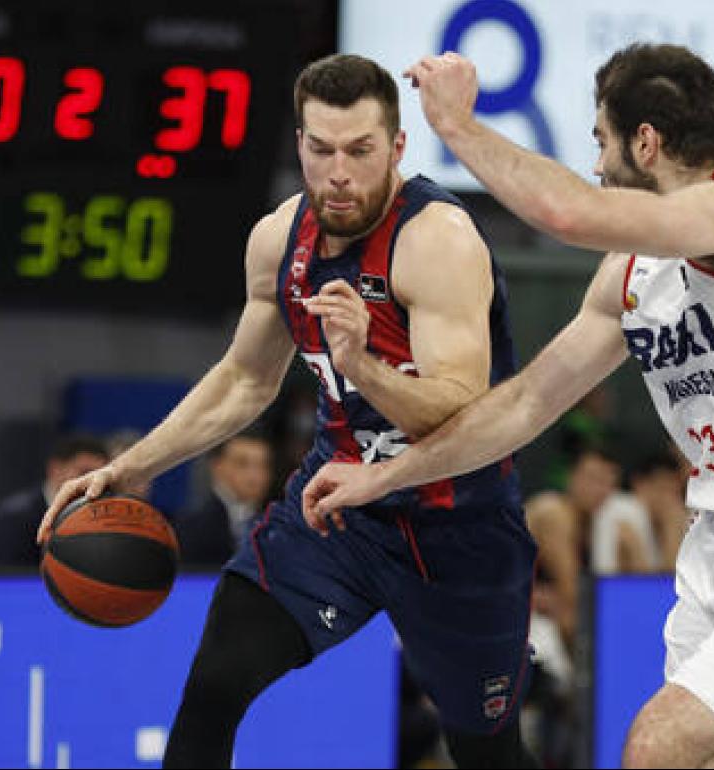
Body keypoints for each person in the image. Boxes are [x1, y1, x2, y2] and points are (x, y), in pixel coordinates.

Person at [304, 45, 714, 769]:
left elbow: (570, 210)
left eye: (601, 140)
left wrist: (459, 126)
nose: (596, 163)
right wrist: (385, 475)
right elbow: (526, 403)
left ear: (646, 142)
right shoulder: (630, 276)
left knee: (657, 748)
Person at [37, 54, 538, 769]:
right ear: (299, 143)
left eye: (361, 151)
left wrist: (363, 364)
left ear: (396, 148)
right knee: (214, 684)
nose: (339, 172)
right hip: (337, 513)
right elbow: (245, 378)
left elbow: (459, 412)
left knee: (487, 753)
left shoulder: (437, 241)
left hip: (458, 526)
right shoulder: (279, 238)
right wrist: (128, 468)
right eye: (322, 149)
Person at [0, 433, 108, 568]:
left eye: (98, 476)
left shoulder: (95, 518)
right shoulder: (15, 519)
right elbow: (8, 582)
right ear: (55, 469)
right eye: (84, 472)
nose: (91, 482)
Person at [526, 447, 622, 646]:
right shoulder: (554, 512)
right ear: (571, 476)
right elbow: (572, 592)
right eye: (593, 479)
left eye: (608, 483)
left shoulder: (598, 525)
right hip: (510, 613)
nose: (599, 490)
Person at [173, 432, 274, 568]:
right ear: (217, 467)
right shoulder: (188, 529)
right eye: (242, 464)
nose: (254, 476)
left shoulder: (278, 528)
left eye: (263, 466)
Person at [595, 445, 691, 575]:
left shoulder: (670, 518)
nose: (668, 500)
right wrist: (672, 529)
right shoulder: (624, 508)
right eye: (662, 489)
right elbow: (660, 586)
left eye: (673, 492)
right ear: (639, 484)